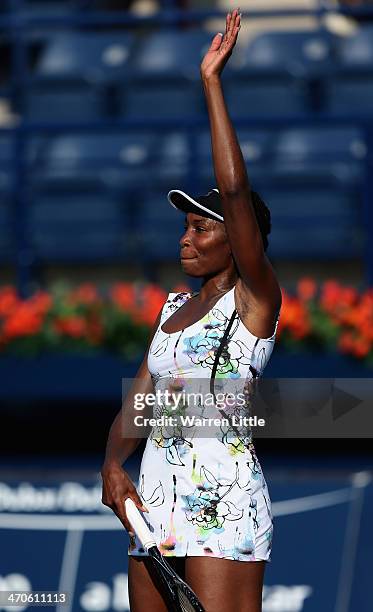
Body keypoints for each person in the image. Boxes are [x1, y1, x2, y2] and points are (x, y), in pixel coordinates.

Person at [101, 8, 282, 611]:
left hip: (223, 510)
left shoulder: (256, 299)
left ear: (237, 237)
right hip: (155, 508)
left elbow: (233, 190)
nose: (186, 238)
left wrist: (211, 82)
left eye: (202, 228)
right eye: (183, 227)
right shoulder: (173, 306)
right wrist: (111, 465)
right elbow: (140, 404)